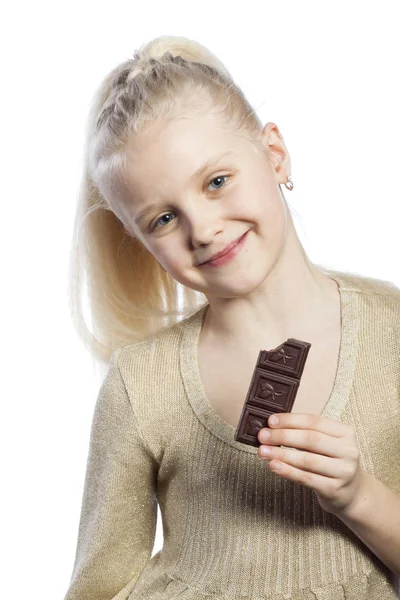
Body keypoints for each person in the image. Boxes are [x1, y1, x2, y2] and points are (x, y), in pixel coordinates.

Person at [63, 35, 400, 600]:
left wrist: (358, 495)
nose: (203, 229)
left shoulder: (391, 330)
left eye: (217, 182)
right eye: (164, 218)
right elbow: (97, 589)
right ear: (140, 242)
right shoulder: (143, 384)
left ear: (274, 154)